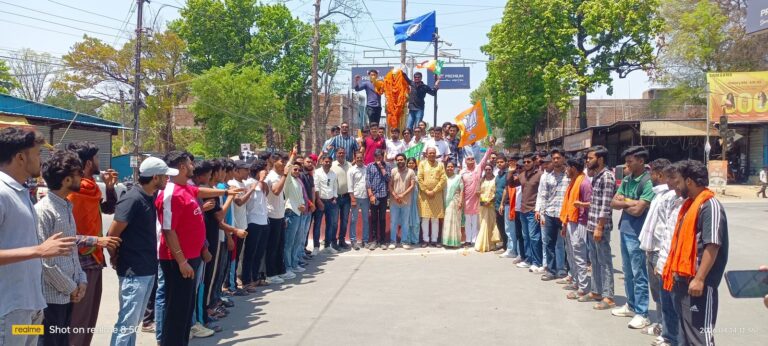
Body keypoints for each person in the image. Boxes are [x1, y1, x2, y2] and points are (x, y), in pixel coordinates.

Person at [0, 128, 76, 346]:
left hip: (32, 305)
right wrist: (39, 250)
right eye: (37, 154)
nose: (41, 161)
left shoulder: (20, 192)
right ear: (20, 157)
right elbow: (37, 251)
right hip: (9, 309)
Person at [155, 151, 235, 345]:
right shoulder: (170, 193)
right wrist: (182, 261)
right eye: (190, 164)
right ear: (182, 167)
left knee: (185, 310)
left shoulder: (185, 188)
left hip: (192, 258)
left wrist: (225, 192)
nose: (193, 166)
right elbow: (168, 230)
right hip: (177, 261)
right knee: (176, 311)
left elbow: (200, 192)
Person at [107, 157, 175, 346]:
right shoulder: (133, 198)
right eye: (164, 177)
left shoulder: (149, 196)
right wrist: (115, 257)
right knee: (127, 323)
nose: (167, 180)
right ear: (155, 177)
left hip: (146, 268)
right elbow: (112, 234)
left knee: (133, 323)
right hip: (134, 271)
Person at [662, 160, 728, 346]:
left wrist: (699, 279)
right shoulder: (689, 205)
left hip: (699, 284)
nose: (675, 184)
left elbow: (712, 245)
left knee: (700, 337)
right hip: (682, 280)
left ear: (689, 181)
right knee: (685, 334)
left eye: (679, 180)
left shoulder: (710, 206)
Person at [65, 141, 118, 346]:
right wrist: (96, 240)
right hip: (80, 263)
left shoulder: (92, 189)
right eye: (96, 158)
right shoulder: (72, 193)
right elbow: (66, 235)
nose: (99, 162)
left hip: (94, 260)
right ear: (88, 163)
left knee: (89, 320)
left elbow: (107, 209)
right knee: (78, 322)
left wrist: (111, 187)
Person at [35, 150, 89, 346]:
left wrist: (81, 281)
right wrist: (71, 287)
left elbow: (71, 249)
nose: (82, 178)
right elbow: (43, 260)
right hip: (50, 298)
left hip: (67, 296)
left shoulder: (66, 206)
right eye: (79, 174)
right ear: (67, 179)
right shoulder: (44, 210)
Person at [611, 146, 655, 329]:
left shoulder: (648, 182)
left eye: (630, 161)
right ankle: (630, 305)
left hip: (638, 233)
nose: (626, 165)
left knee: (639, 274)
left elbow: (638, 211)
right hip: (625, 230)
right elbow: (613, 202)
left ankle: (642, 313)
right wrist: (631, 201)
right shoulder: (628, 179)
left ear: (641, 161)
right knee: (627, 272)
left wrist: (625, 202)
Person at [636, 159, 679, 343]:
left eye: (652, 173)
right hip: (652, 249)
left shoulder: (670, 197)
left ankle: (669, 333)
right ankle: (662, 326)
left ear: (659, 174)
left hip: (660, 251)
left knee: (665, 296)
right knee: (658, 294)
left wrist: (662, 257)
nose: (650, 176)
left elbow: (668, 230)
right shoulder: (658, 195)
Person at [585, 145, 617, 311]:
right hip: (591, 224)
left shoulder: (607, 177)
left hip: (600, 226)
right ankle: (596, 291)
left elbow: (606, 205)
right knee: (595, 259)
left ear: (601, 159)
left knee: (604, 261)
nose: (588, 161)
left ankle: (608, 296)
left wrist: (599, 226)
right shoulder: (597, 176)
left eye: (591, 158)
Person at [560, 156, 592, 301]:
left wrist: (582, 205)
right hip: (570, 221)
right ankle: (576, 281)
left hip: (580, 223)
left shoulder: (584, 183)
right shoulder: (573, 182)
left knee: (579, 256)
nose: (565, 170)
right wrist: (565, 223)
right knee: (571, 253)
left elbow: (591, 204)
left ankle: (583, 288)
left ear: (573, 168)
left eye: (567, 167)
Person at [536, 150, 570, 281]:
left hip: (563, 214)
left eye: (558, 158)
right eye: (554, 158)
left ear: (563, 158)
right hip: (549, 213)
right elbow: (542, 195)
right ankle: (551, 270)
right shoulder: (546, 177)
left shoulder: (569, 175)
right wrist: (540, 212)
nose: (556, 160)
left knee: (563, 244)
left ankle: (562, 269)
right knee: (549, 243)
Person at [266, 152, 296, 282]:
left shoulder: (279, 175)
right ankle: (271, 274)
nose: (284, 164)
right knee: (272, 246)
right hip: (271, 215)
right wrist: (284, 175)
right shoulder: (272, 176)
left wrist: (293, 155)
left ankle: (280, 270)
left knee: (280, 245)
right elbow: (276, 191)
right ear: (274, 162)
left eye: (285, 162)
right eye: (281, 162)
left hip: (279, 214)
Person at [517, 153, 544, 273]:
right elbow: (510, 183)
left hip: (533, 210)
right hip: (523, 209)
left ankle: (537, 262)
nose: (526, 164)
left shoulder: (539, 175)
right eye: (525, 162)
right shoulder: (522, 175)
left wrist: (539, 209)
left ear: (534, 162)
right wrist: (512, 170)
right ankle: (528, 259)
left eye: (529, 162)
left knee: (534, 237)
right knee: (526, 237)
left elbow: (543, 193)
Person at [462, 142, 493, 247]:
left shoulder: (478, 168)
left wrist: (490, 146)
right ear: (465, 161)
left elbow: (485, 157)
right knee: (467, 221)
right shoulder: (462, 172)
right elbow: (461, 188)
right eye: (468, 159)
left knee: (475, 220)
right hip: (466, 199)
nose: (470, 161)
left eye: (472, 159)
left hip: (476, 198)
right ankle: (467, 239)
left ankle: (474, 240)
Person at [417, 147, 447, 247]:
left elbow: (443, 179)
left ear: (436, 154)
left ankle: (434, 240)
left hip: (437, 195)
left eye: (433, 153)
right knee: (425, 218)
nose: (432, 155)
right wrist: (426, 191)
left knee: (435, 218)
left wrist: (434, 191)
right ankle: (425, 240)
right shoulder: (422, 164)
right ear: (426, 154)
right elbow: (419, 178)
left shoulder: (440, 165)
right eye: (430, 153)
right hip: (424, 195)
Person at [283, 162, 307, 274]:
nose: (297, 171)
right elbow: (287, 168)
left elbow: (301, 196)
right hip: (291, 212)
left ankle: (294, 263)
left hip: (299, 213)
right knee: (289, 242)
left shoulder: (298, 181)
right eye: (295, 169)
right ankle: (288, 267)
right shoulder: (288, 180)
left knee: (297, 241)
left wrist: (302, 205)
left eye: (299, 170)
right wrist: (292, 156)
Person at [389, 153, 416, 249]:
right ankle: (393, 241)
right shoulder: (393, 171)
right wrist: (395, 196)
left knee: (405, 222)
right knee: (393, 222)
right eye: (398, 160)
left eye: (401, 159)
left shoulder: (411, 172)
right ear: (396, 161)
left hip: (406, 201)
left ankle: (404, 241)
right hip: (394, 201)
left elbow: (412, 185)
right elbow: (390, 185)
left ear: (405, 160)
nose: (400, 161)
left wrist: (402, 195)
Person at [315, 155, 339, 253]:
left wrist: (334, 197)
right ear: (322, 162)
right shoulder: (317, 173)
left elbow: (334, 187)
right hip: (320, 201)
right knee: (317, 224)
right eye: (326, 161)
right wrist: (318, 200)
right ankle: (316, 247)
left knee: (330, 224)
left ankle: (327, 245)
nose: (328, 163)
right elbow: (316, 187)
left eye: (329, 162)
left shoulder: (333, 174)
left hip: (330, 202)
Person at [366, 150, 390, 250]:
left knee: (382, 219)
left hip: (383, 196)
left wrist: (381, 168)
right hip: (374, 196)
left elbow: (388, 179)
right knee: (374, 218)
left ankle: (383, 241)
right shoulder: (370, 166)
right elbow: (367, 181)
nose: (378, 158)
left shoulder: (387, 165)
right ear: (374, 157)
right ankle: (375, 240)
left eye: (380, 156)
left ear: (382, 156)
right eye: (376, 156)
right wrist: (371, 195)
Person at [331, 148, 353, 250]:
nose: (341, 154)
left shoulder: (349, 165)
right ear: (336, 154)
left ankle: (342, 240)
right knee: (334, 221)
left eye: (343, 153)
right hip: (335, 198)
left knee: (344, 220)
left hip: (346, 197)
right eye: (339, 153)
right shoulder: (332, 165)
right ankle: (333, 242)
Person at [347, 152, 369, 250]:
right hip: (355, 197)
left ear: (363, 158)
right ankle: (353, 240)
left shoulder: (367, 169)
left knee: (366, 220)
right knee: (353, 220)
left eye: (361, 157)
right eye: (357, 158)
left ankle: (365, 240)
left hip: (365, 198)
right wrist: (352, 198)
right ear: (355, 158)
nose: (359, 159)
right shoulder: (351, 170)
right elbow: (350, 186)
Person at [475, 165, 497, 252]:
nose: (488, 171)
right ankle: (482, 244)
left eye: (489, 169)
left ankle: (491, 245)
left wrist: (490, 201)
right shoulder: (482, 180)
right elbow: (477, 192)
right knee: (483, 223)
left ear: (492, 170)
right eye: (486, 169)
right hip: (483, 205)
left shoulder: (495, 179)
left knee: (491, 224)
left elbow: (497, 192)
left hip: (491, 205)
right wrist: (482, 199)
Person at [442, 161, 463, 248]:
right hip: (445, 201)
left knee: (455, 221)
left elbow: (462, 190)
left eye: (451, 167)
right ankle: (447, 242)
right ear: (445, 168)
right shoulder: (444, 178)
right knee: (447, 221)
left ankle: (455, 242)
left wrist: (460, 201)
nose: (450, 168)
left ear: (454, 168)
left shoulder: (458, 177)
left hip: (455, 201)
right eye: (448, 167)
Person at [493, 153, 510, 253]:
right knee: (500, 225)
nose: (499, 164)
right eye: (498, 162)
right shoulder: (498, 175)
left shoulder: (508, 174)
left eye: (501, 162)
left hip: (504, 205)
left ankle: (507, 247)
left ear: (506, 162)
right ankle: (504, 244)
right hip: (497, 204)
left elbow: (506, 189)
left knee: (506, 226)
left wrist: (502, 204)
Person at [405, 158, 421, 249]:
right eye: (409, 163)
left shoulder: (419, 173)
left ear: (415, 164)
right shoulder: (404, 173)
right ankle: (407, 239)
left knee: (415, 220)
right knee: (407, 220)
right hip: (407, 198)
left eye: (412, 163)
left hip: (416, 199)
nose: (411, 164)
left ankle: (415, 240)